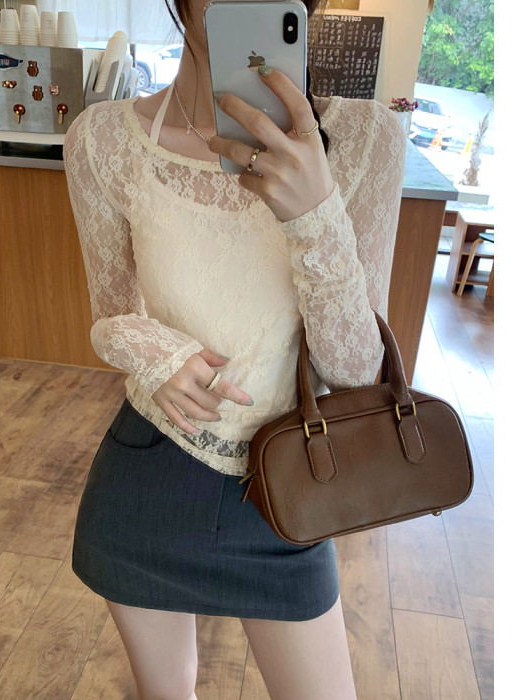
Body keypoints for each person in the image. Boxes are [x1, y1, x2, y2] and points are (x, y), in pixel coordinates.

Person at [62, 1, 405, 698]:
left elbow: (356, 373)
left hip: (290, 488)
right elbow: (110, 316)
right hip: (147, 481)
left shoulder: (366, 138)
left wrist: (315, 212)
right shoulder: (103, 140)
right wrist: (156, 352)